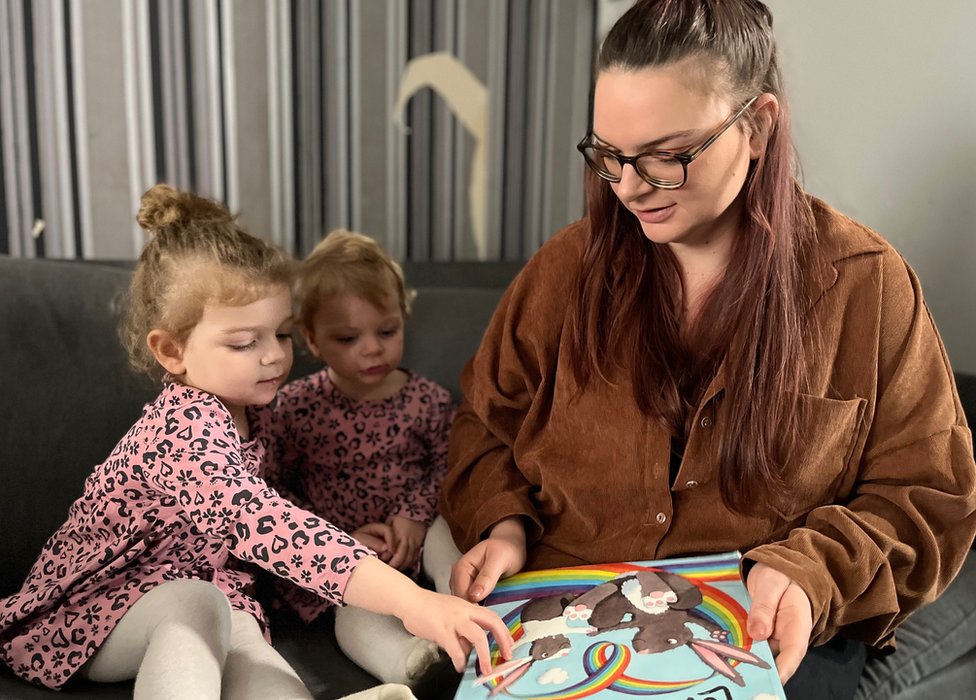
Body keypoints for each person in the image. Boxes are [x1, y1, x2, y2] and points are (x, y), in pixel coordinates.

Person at [439, 2, 976, 699]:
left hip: (762, 626)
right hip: (564, 615)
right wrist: (502, 520)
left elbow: (930, 495)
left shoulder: (867, 286)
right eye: (610, 154)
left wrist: (813, 571)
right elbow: (483, 424)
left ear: (758, 126)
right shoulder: (562, 272)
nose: (629, 187)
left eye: (667, 156)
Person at [0, 185, 510, 700]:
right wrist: (411, 601)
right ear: (173, 351)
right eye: (245, 342)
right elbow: (267, 525)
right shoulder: (184, 428)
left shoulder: (258, 412)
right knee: (193, 607)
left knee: (262, 663)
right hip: (91, 611)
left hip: (220, 597)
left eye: (282, 335)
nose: (273, 357)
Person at [262, 230, 459, 688]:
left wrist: (414, 516)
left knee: (449, 533)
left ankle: (468, 607)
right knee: (352, 616)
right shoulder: (295, 408)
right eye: (349, 338)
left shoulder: (427, 400)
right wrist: (340, 541)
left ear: (403, 319)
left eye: (386, 331)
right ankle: (413, 664)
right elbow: (272, 493)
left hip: (418, 533)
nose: (372, 348)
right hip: (346, 557)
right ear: (311, 339)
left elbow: (450, 467)